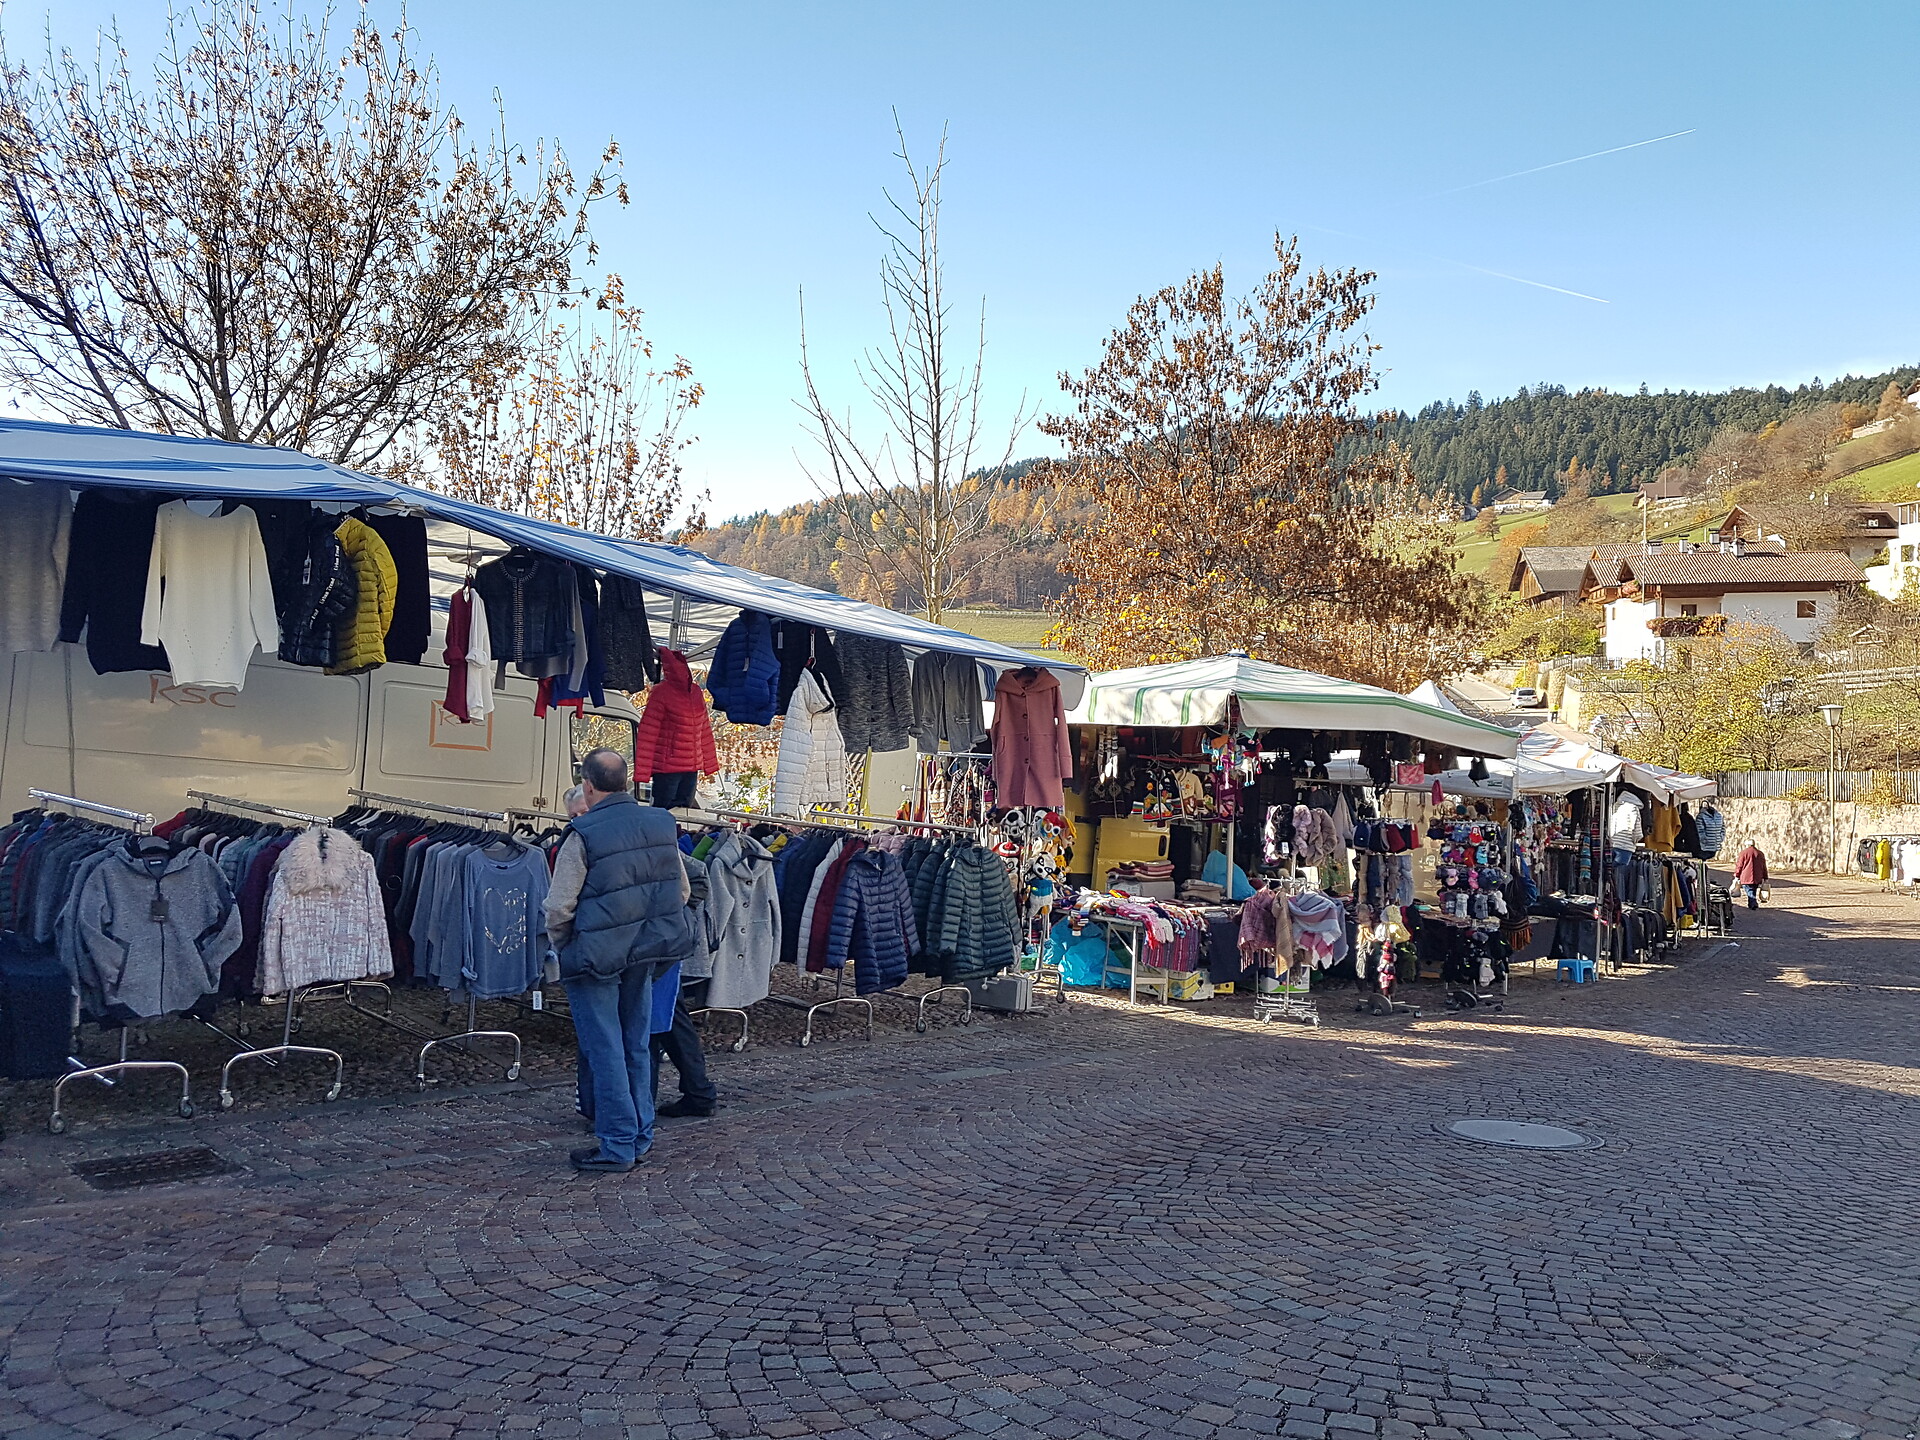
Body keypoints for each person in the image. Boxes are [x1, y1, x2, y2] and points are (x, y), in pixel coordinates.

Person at [544, 748, 693, 1174]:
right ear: (626, 782)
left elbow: (558, 907)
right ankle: (639, 1134)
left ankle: (617, 1144)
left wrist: (564, 946)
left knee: (604, 1048)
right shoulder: (662, 822)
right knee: (635, 1043)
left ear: (587, 785)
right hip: (645, 952)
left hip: (596, 955)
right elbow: (680, 891)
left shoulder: (583, 833)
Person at [1733, 840, 1769, 910]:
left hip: (1746, 876)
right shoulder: (1760, 853)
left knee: (1749, 890)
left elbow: (1739, 865)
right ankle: (1751, 903)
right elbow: (1763, 866)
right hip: (1757, 876)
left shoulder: (1743, 853)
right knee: (1753, 889)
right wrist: (1765, 877)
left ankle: (1753, 903)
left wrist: (1737, 875)